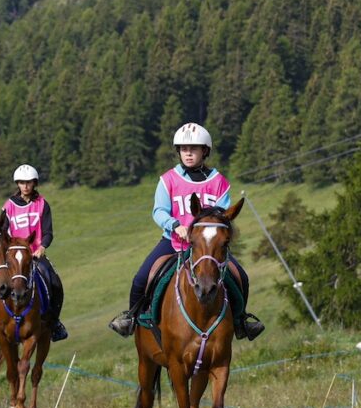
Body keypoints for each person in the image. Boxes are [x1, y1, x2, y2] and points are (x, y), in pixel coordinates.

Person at [108, 123, 264, 340]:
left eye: (194, 148)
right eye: (183, 149)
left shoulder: (219, 182)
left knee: (240, 276)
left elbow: (224, 216)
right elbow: (159, 210)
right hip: (173, 242)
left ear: (205, 151)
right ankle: (131, 318)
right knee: (141, 278)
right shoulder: (168, 179)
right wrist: (175, 225)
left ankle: (240, 321)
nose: (188, 153)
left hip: (207, 248)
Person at [2, 164, 69, 342]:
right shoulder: (8, 206)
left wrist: (42, 248)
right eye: (22, 182)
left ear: (34, 183)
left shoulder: (42, 204)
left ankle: (54, 323)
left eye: (29, 182)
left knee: (55, 283)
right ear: (17, 183)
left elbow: (48, 232)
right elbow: (3, 232)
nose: (25, 186)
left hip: (35, 255)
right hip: (15, 256)